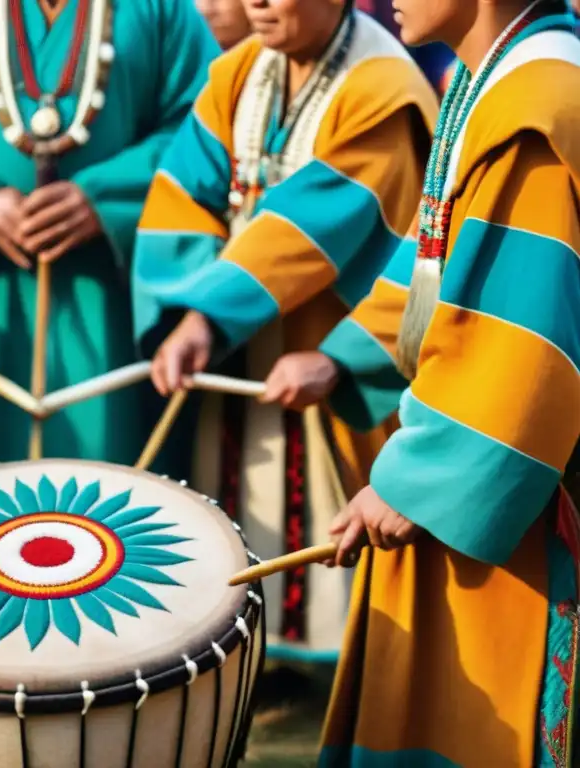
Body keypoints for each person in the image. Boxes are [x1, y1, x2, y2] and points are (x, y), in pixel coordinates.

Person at [262, 1, 580, 764]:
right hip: (463, 483)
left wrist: (416, 480)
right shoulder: (494, 75)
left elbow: (523, 341)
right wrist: (344, 354)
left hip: (509, 517)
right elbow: (437, 258)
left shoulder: (533, 105)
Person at [131, 0, 436, 662]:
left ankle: (343, 655)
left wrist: (206, 315)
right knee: (233, 486)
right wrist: (191, 308)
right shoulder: (237, 72)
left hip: (334, 338)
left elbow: (319, 217)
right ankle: (245, 650)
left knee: (336, 511)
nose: (254, 3)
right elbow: (182, 193)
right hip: (240, 341)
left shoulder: (383, 85)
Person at [0, 0, 221, 482]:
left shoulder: (163, 10)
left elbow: (204, 122)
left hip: (115, 303)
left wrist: (104, 197)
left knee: (112, 499)